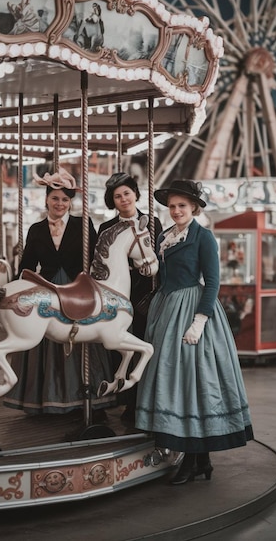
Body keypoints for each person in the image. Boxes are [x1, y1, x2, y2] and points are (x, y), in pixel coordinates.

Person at [135, 179, 254, 485]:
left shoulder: (203, 238)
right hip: (166, 309)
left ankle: (195, 459)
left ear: (195, 208)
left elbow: (213, 282)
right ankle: (197, 459)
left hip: (192, 309)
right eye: (172, 206)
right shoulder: (165, 236)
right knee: (174, 379)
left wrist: (200, 321)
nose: (176, 211)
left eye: (182, 206)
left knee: (194, 380)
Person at [3, 167, 115, 417]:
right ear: (46, 199)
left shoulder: (83, 224)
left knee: (84, 340)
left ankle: (87, 398)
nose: (60, 204)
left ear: (70, 202)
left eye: (65, 199)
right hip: (47, 287)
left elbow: (97, 259)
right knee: (40, 341)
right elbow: (27, 266)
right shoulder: (36, 229)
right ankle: (45, 399)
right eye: (55, 198)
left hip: (77, 288)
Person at [97, 172, 163, 422]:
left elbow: (158, 255)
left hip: (144, 292)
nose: (123, 199)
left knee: (143, 340)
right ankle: (124, 399)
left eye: (127, 193)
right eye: (117, 196)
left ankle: (142, 402)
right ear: (112, 201)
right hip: (115, 296)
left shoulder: (152, 222)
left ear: (135, 194)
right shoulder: (106, 228)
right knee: (118, 346)